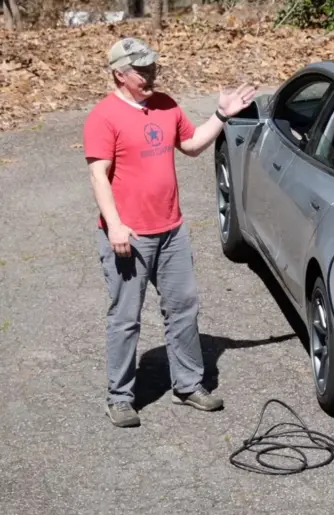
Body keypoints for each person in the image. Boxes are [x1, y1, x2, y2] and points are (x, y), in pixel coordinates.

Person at [83, 37, 256, 428]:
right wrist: (115, 226)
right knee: (125, 318)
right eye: (140, 70)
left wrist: (222, 115)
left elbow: (191, 144)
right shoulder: (103, 117)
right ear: (119, 74)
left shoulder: (165, 104)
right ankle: (120, 397)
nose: (150, 75)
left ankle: (189, 385)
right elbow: (99, 175)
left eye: (151, 67)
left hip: (171, 230)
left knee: (183, 307)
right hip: (129, 235)